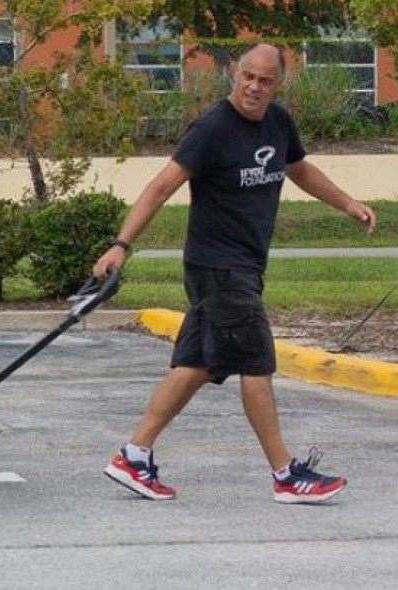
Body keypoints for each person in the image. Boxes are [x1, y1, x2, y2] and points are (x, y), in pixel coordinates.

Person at [93, 43, 376, 504]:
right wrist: (121, 245)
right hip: (220, 268)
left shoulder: (278, 123)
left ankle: (133, 455)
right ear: (233, 73)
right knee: (256, 363)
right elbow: (161, 186)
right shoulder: (211, 128)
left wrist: (347, 204)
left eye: (265, 80)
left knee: (197, 365)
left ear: (278, 83)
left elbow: (299, 169)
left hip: (240, 267)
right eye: (247, 76)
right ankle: (286, 475)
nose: (254, 86)